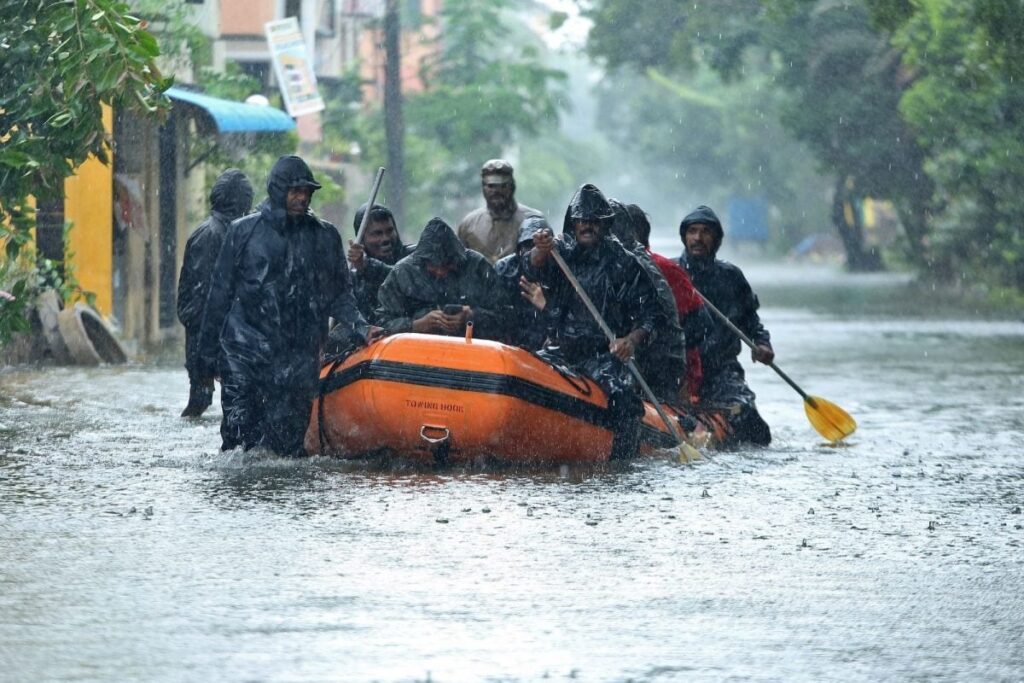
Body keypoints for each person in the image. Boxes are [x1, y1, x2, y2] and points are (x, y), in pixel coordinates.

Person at [197, 155, 380, 457]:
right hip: (245, 353)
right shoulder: (243, 232)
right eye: (295, 191)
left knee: (286, 448)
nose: (302, 198)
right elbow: (219, 297)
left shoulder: (324, 236)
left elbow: (339, 295)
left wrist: (361, 327)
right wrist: (205, 360)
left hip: (297, 357)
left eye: (307, 192)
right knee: (239, 443)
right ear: (277, 190)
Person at [528, 184, 668, 460]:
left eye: (593, 221)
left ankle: (622, 465)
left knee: (624, 399)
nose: (586, 226)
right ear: (573, 222)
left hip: (605, 355)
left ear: (605, 224)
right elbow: (530, 266)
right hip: (563, 349)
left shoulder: (624, 264)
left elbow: (652, 315)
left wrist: (630, 340)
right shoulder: (560, 253)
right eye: (581, 221)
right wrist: (540, 250)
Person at [678, 205, 772, 445]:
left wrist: (762, 344)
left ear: (716, 239)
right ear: (685, 236)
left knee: (749, 419)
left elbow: (752, 323)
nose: (698, 238)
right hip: (678, 370)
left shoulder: (731, 277)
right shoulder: (669, 273)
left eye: (705, 232)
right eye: (692, 231)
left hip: (721, 372)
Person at [176, 168, 253, 418]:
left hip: (222, 334)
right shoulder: (211, 235)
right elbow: (200, 297)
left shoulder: (233, 232)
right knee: (200, 402)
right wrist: (207, 348)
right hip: (208, 336)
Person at [626, 203, 712, 404]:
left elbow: (700, 326)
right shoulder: (606, 268)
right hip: (626, 362)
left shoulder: (666, 269)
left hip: (670, 369)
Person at [606, 199, 687, 403]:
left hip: (657, 363)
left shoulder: (640, 266)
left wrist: (632, 340)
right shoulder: (599, 265)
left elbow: (659, 320)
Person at [376, 217, 507, 341]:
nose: (440, 272)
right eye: (433, 267)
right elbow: (380, 324)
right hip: (415, 354)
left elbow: (507, 317)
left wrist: (472, 317)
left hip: (473, 351)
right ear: (422, 261)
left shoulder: (477, 266)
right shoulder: (403, 273)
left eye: (446, 265)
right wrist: (415, 325)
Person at [493, 215, 560, 350]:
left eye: (539, 247)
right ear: (519, 249)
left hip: (548, 346)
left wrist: (547, 306)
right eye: (528, 247)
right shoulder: (505, 269)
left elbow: (574, 322)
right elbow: (494, 314)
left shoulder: (560, 269)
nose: (535, 253)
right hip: (512, 344)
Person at [456, 159, 542, 263]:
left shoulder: (533, 221)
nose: (496, 191)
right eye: (491, 186)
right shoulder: (468, 225)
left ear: (512, 186)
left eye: (502, 185)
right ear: (483, 187)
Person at [346, 203, 414, 323]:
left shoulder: (414, 256)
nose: (386, 239)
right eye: (377, 233)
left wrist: (367, 266)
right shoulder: (353, 280)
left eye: (389, 231)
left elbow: (405, 279)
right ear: (361, 239)